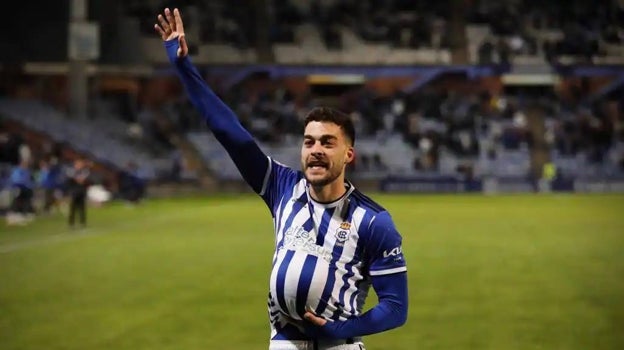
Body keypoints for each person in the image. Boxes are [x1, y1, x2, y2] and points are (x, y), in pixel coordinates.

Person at [155, 8, 408, 350]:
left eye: (327, 143)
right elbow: (231, 134)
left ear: (349, 154)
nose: (316, 150)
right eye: (309, 142)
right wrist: (184, 67)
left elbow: (395, 308)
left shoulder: (374, 221)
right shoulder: (282, 188)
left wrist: (339, 329)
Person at [65, 158, 91, 228]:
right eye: (78, 164)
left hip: (81, 192)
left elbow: (84, 180)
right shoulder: (72, 172)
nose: (79, 165)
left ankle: (82, 222)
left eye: (80, 164)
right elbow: (71, 180)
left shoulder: (84, 171)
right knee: (73, 208)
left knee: (82, 208)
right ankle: (71, 222)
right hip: (74, 192)